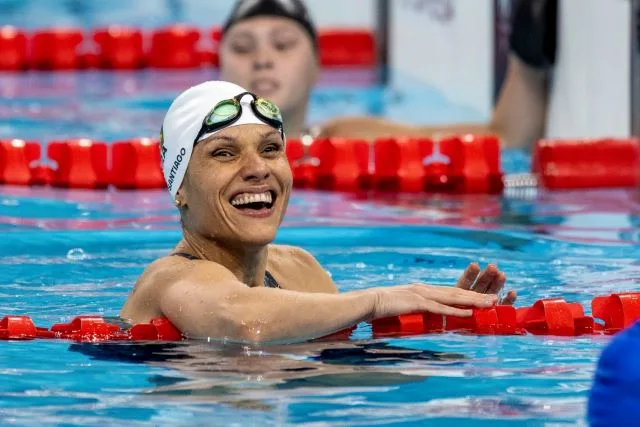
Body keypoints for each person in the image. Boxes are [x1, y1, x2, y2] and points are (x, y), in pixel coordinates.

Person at [120, 80, 517, 344]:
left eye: (271, 149)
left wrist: (441, 325)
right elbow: (242, 321)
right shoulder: (169, 279)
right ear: (180, 190)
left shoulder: (299, 269)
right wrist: (379, 300)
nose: (259, 168)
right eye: (224, 153)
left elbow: (334, 367)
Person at [217, 0, 554, 149]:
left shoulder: (346, 139)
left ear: (315, 67)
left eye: (283, 44)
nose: (262, 60)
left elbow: (507, 138)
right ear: (219, 68)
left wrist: (526, 53)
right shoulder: (189, 152)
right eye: (243, 48)